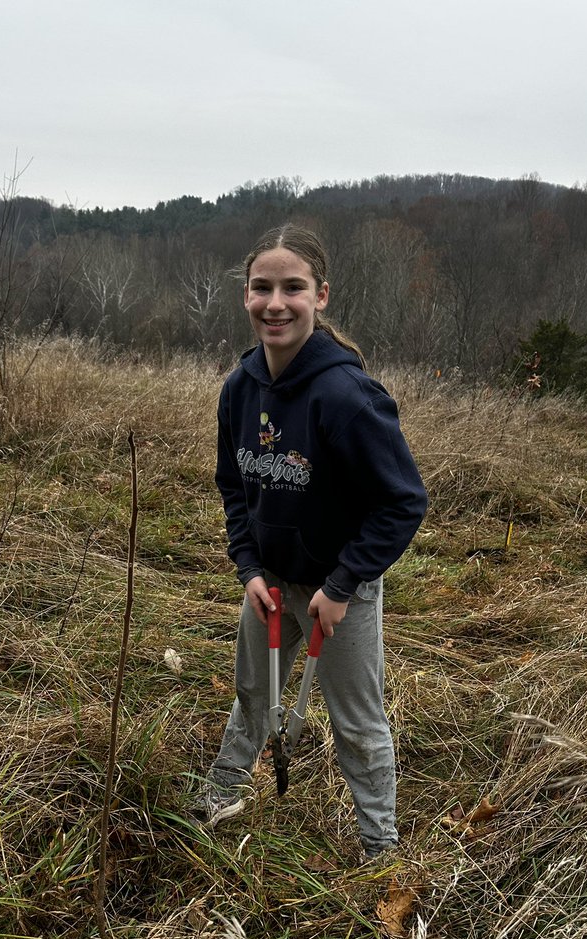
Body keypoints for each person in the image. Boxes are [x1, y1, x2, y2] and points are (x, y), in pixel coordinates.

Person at [191, 224, 427, 863]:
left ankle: (380, 844)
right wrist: (248, 568)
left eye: (292, 288)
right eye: (262, 288)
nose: (276, 303)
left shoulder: (346, 396)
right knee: (252, 692)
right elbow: (233, 488)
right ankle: (223, 792)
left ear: (320, 296)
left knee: (357, 721)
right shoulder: (239, 389)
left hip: (336, 591)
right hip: (269, 582)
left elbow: (403, 501)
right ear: (245, 296)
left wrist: (344, 584)